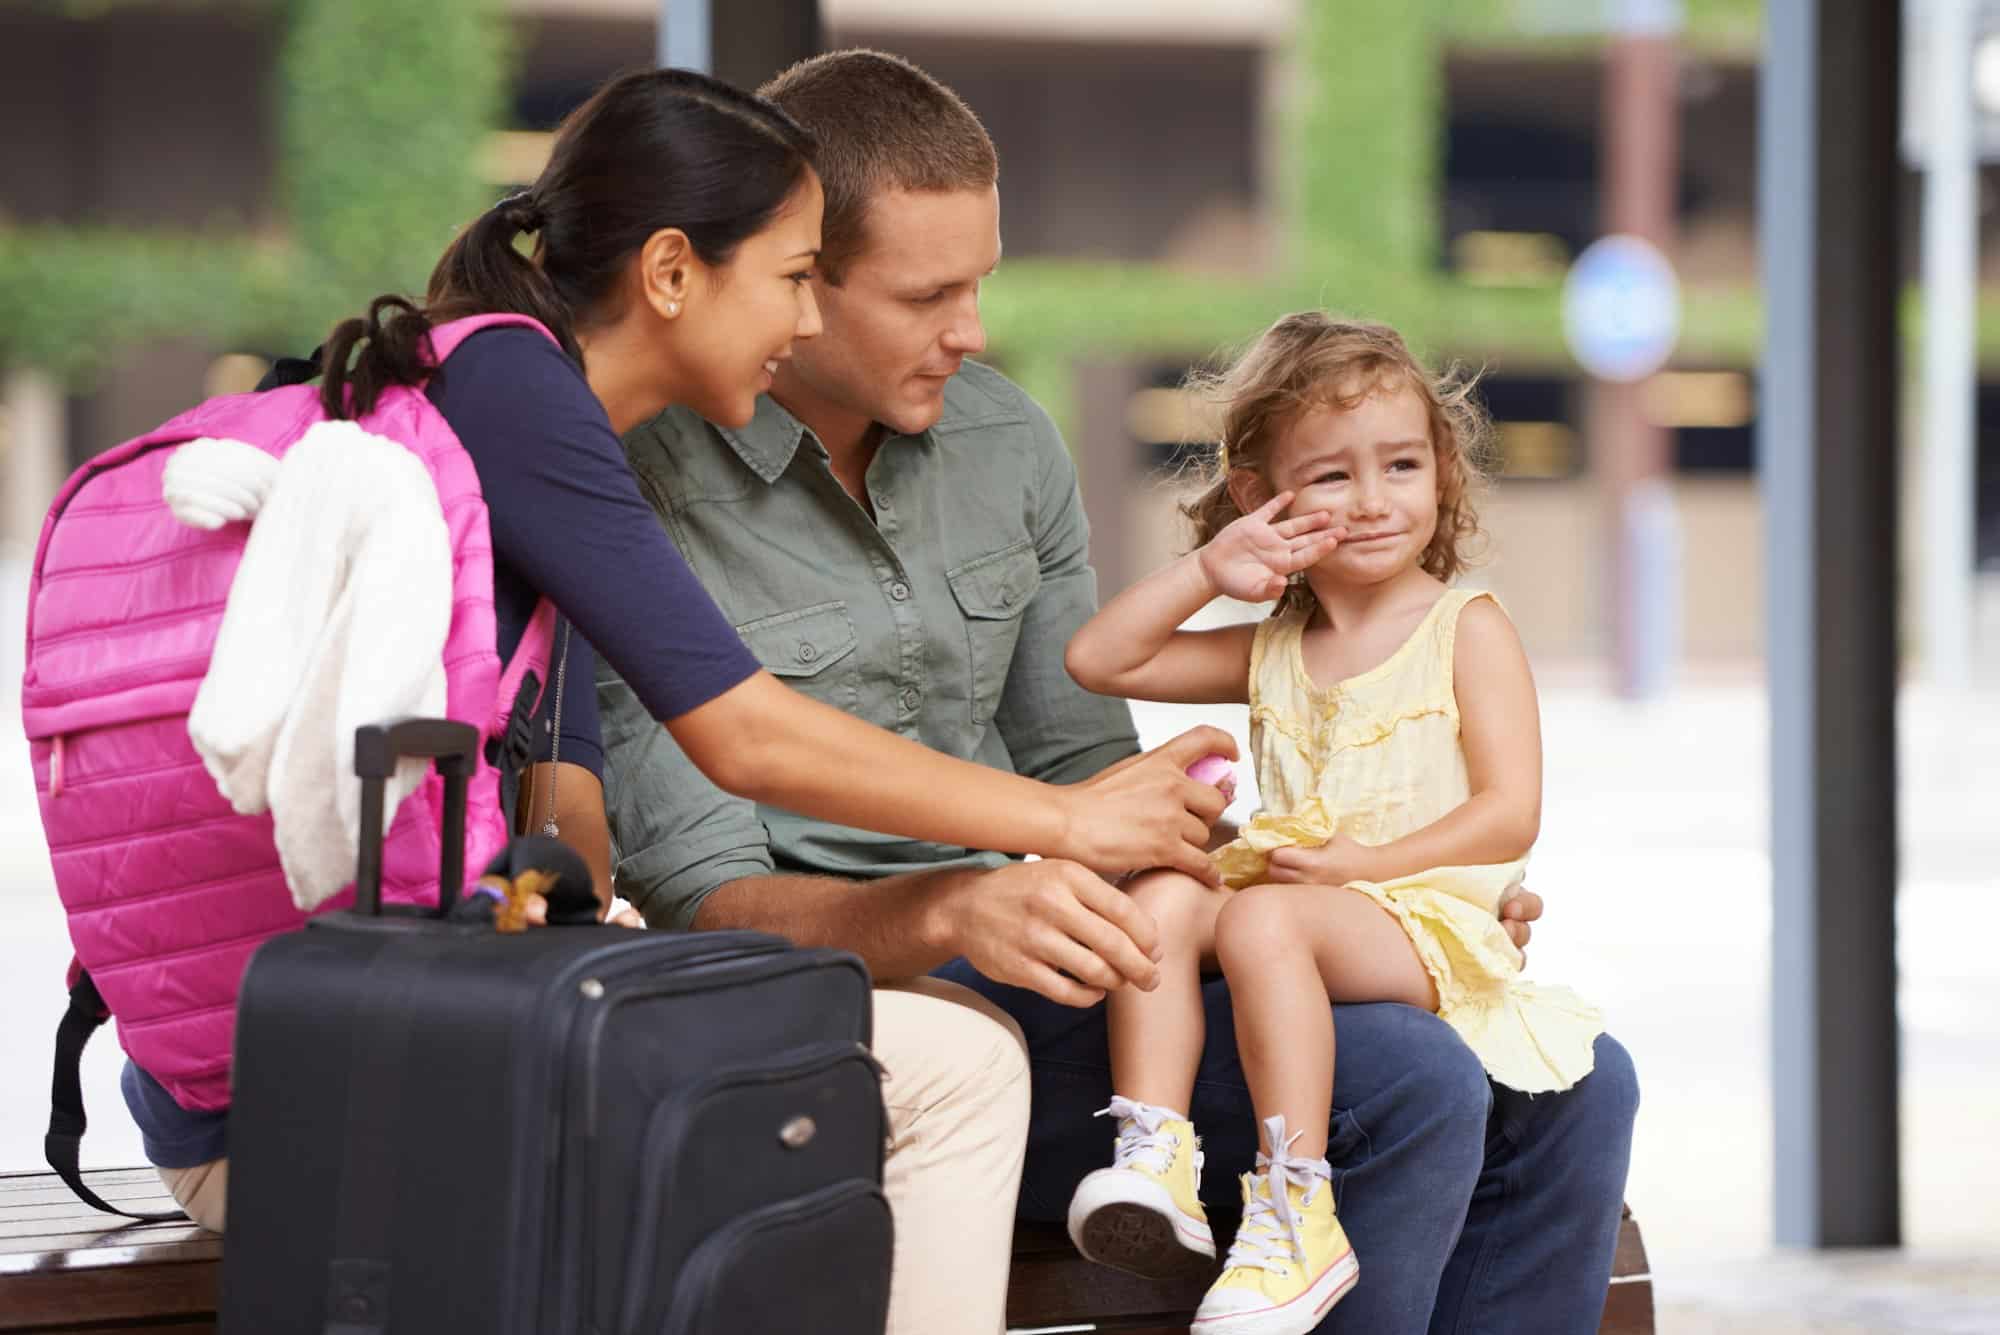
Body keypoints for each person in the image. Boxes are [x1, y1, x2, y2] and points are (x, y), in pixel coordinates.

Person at [599, 49, 1636, 1335]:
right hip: (894, 1014)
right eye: (927, 296)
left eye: (978, 282)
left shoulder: (999, 438)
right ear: (805, 283)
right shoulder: (641, 484)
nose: (971, 332)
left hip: (1086, 975)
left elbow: (1090, 773)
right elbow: (708, 899)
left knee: (1571, 1081)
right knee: (1409, 1084)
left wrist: (1402, 899)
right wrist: (961, 906)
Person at [132, 67, 1226, 1236]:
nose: (804, 320)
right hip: (321, 1087)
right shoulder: (512, 392)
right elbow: (743, 734)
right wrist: (1056, 827)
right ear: (668, 274)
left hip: (339, 1043)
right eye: (795, 279)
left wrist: (579, 909)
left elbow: (568, 804)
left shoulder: (531, 423)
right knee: (957, 1064)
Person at [1061, 313, 1608, 1334]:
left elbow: (1508, 811)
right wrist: (1207, 570)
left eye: (1398, 465)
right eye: (1326, 477)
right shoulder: (1275, 646)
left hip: (1425, 922)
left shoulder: (1463, 628)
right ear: (1256, 496)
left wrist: (1369, 861)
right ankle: (1153, 1157)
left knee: (1261, 921)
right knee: (1165, 892)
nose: (1368, 503)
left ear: (1441, 470)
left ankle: (1294, 1207)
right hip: (1312, 902)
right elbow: (1102, 661)